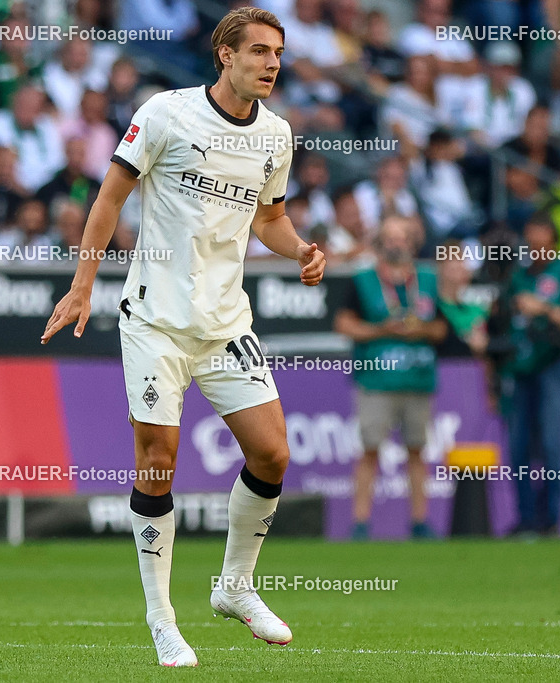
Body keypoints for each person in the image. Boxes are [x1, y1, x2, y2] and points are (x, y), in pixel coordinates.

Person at [39, 7, 325, 668]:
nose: (271, 63)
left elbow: (269, 219)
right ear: (224, 55)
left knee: (273, 454)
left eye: (277, 52)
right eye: (257, 51)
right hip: (156, 318)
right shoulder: (167, 113)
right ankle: (162, 618)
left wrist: (301, 249)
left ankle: (233, 586)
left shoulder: (277, 135)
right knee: (159, 459)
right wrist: (84, 283)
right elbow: (110, 196)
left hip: (226, 324)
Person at [334, 216, 446, 540]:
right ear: (380, 244)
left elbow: (442, 329)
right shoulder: (363, 279)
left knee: (417, 451)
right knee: (370, 450)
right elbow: (343, 324)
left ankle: (420, 522)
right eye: (391, 238)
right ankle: (360, 523)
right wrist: (381, 330)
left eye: (403, 238)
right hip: (376, 381)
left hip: (418, 377)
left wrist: (420, 329)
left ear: (412, 243)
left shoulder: (427, 279)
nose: (397, 244)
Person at [503, 212, 560, 536]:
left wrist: (545, 309)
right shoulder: (518, 275)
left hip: (555, 363)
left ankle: (551, 519)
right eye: (531, 240)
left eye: (541, 240)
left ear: (553, 241)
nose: (535, 247)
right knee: (519, 445)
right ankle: (525, 519)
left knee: (553, 442)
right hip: (522, 364)